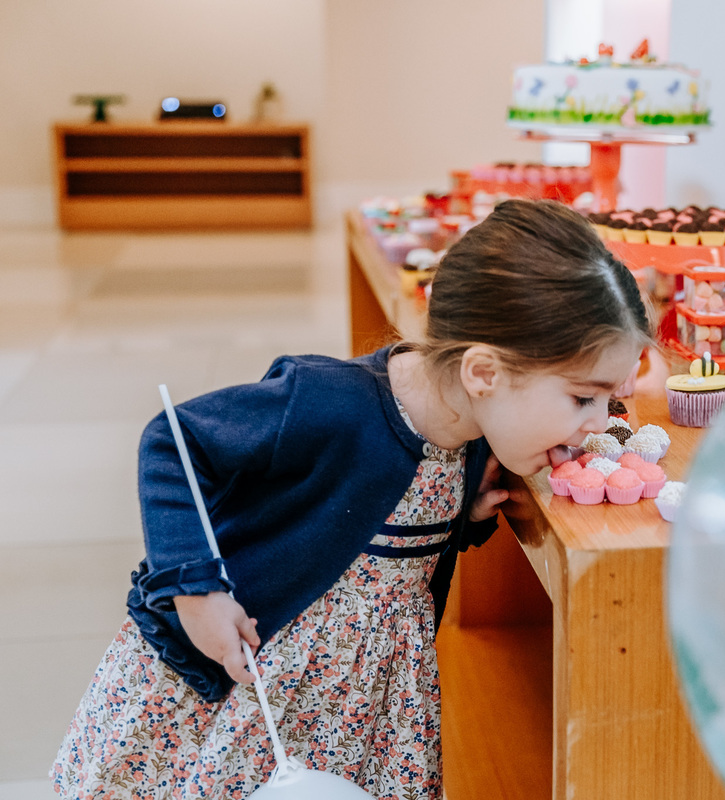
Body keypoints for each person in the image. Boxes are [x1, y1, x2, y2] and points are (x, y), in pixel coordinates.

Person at [50, 199, 654, 799]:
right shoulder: (324, 402)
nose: (597, 423)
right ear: (484, 373)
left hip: (365, 714)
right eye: (583, 399)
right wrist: (195, 591)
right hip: (246, 692)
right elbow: (173, 444)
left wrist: (462, 517)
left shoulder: (474, 432)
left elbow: (391, 528)